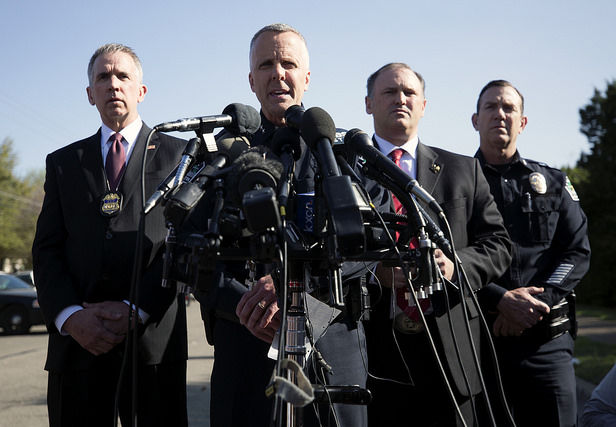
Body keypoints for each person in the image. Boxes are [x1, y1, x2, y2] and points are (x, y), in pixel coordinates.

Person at [190, 24, 384, 427]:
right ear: (251, 80)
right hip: (246, 344)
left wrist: (295, 291)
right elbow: (192, 253)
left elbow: (373, 239)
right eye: (266, 64)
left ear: (306, 78)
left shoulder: (341, 151)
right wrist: (249, 304)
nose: (278, 73)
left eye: (288, 63)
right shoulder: (221, 155)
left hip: (332, 343)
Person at [32, 43, 188, 427]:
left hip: (152, 345)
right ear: (90, 94)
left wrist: (136, 308)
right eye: (103, 77)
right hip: (77, 346)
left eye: (123, 76)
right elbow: (47, 250)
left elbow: (183, 246)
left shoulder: (180, 155)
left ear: (141, 91)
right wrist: (69, 317)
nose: (113, 84)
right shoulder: (64, 163)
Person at [362, 63, 512, 426]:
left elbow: (499, 245)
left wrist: (453, 265)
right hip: (373, 353)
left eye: (409, 92)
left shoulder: (463, 170)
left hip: (450, 351)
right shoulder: (343, 171)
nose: (400, 99)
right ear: (368, 104)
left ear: (424, 104)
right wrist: (373, 273)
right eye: (389, 92)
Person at [472, 80, 591, 427]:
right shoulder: (457, 184)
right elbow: (453, 257)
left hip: (546, 344)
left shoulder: (552, 182)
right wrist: (500, 299)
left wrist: (535, 306)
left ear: (522, 122)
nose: (500, 114)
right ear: (475, 120)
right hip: (483, 344)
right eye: (491, 107)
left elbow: (576, 251)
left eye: (509, 108)